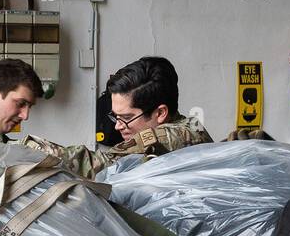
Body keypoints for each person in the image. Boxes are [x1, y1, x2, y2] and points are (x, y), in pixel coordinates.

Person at [26, 56, 211, 178]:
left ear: (160, 113)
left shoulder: (171, 137)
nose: (117, 126)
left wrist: (25, 148)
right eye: (116, 117)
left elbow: (99, 166)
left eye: (126, 117)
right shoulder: (191, 127)